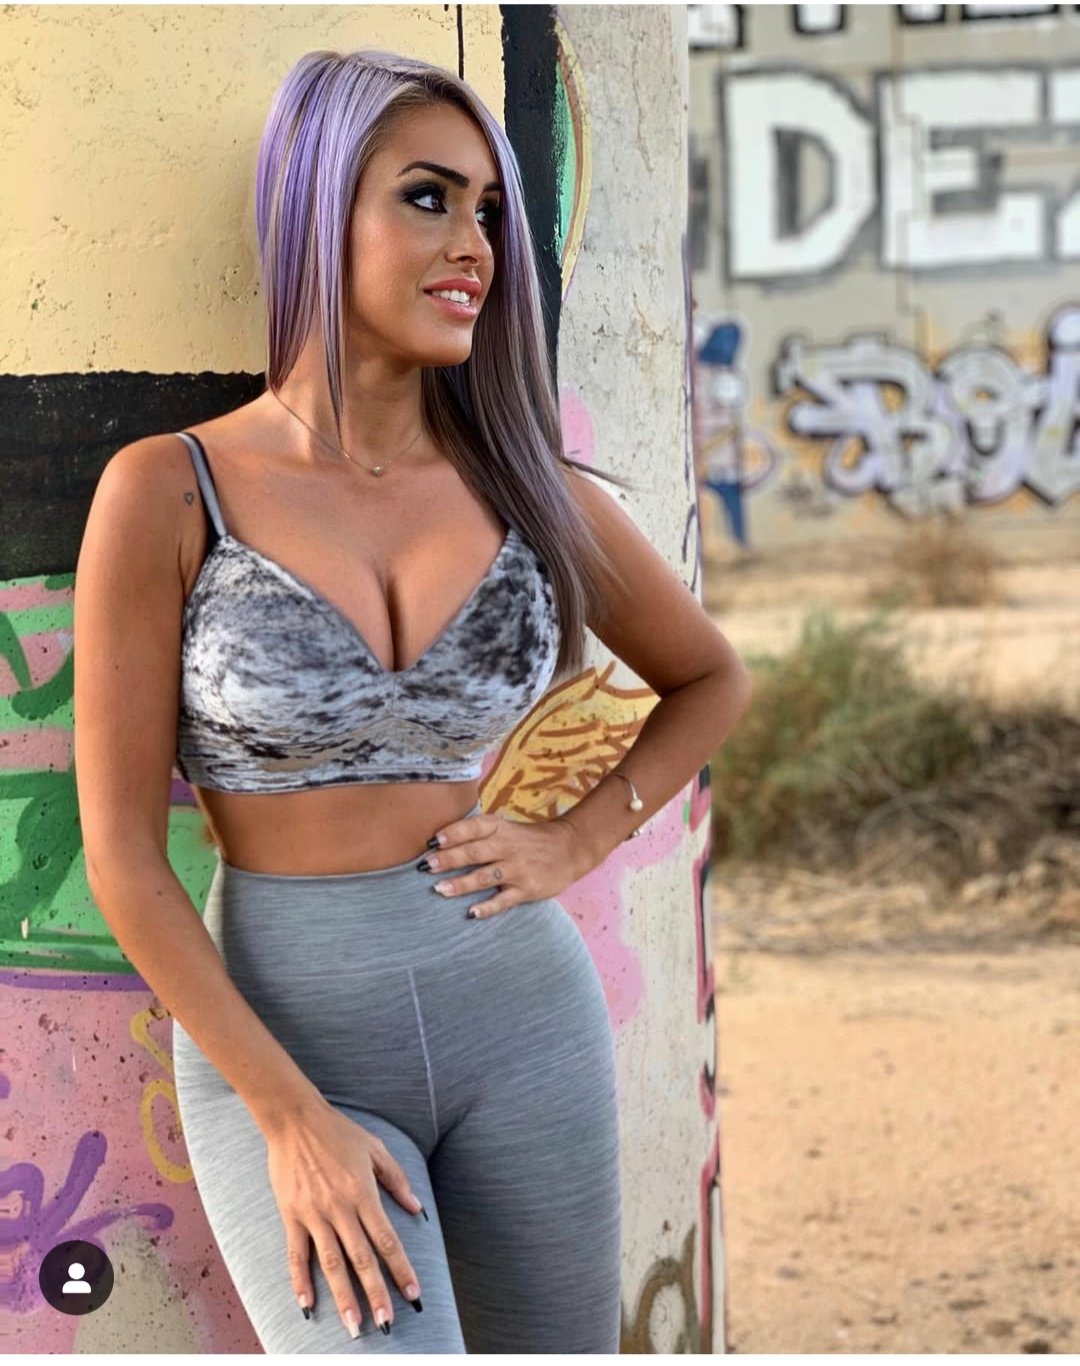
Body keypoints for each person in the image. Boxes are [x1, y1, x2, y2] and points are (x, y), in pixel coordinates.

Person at [72, 48, 753, 1354]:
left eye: (489, 210)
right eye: (428, 198)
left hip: (524, 1020)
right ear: (317, 207)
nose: (474, 245)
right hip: (285, 1040)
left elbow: (711, 676)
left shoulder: (532, 489)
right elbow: (122, 859)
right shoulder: (166, 488)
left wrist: (579, 837)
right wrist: (288, 1119)